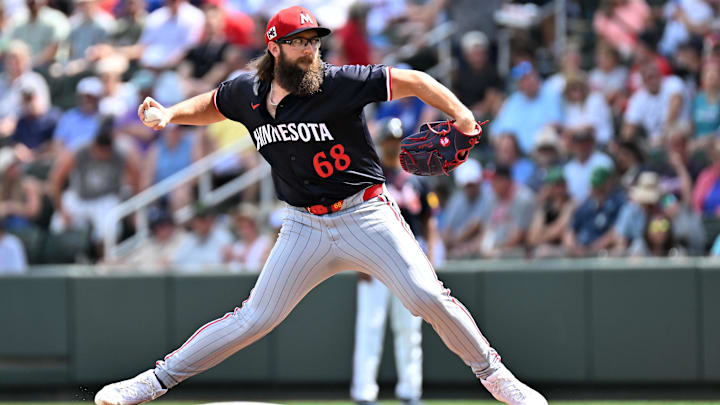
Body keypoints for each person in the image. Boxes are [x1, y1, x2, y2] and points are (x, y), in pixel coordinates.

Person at [93, 6, 547, 405]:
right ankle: (152, 382)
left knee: (425, 295)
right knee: (255, 318)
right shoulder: (246, 94)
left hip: (364, 213)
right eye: (299, 43)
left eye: (314, 41)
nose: (311, 50)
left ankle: (496, 376)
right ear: (274, 48)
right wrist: (171, 113)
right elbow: (213, 104)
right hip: (302, 228)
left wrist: (462, 115)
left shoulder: (338, 84)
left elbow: (414, 80)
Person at [351, 118, 434, 405]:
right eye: (388, 140)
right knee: (370, 327)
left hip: (411, 262)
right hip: (375, 260)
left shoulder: (415, 179)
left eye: (397, 140)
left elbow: (427, 222)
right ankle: (364, 393)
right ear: (381, 143)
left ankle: (411, 392)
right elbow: (356, 222)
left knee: (409, 330)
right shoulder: (367, 176)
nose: (392, 145)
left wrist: (430, 261)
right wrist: (360, 262)